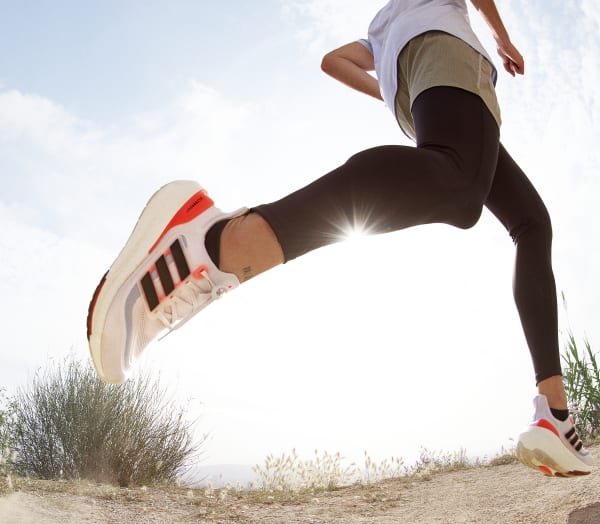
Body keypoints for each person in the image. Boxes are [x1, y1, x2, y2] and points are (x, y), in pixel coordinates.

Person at [87, 0, 593, 477]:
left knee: (530, 222)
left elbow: (334, 61)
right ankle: (221, 242)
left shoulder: (383, 27)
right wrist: (502, 40)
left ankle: (554, 413)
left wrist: (390, 87)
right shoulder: (430, 13)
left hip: (418, 92)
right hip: (448, 61)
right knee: (462, 191)